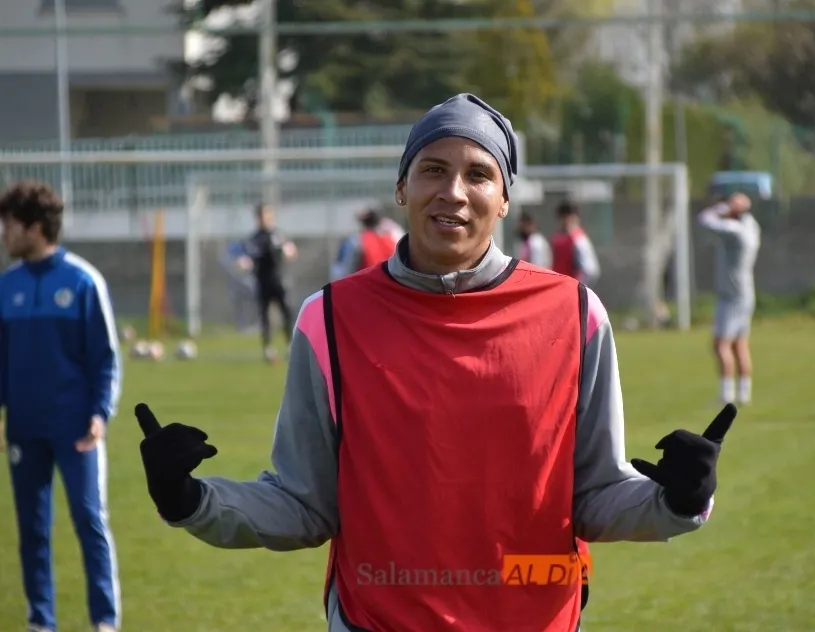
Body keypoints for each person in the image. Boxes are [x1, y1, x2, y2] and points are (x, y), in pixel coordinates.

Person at [133, 93, 737, 632]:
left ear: (505, 199)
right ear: (402, 187)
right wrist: (190, 498)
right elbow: (304, 502)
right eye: (433, 169)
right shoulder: (331, 319)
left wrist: (679, 500)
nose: (454, 191)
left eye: (479, 174)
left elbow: (595, 494)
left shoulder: (575, 314)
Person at [0, 180, 122, 632]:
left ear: (34, 227)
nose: (4, 234)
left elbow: (106, 358)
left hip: (76, 427)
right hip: (24, 425)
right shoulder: (6, 287)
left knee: (89, 520)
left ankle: (104, 621)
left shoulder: (83, 281)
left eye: (9, 225)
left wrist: (100, 414)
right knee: (31, 529)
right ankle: (40, 621)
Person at [697, 192, 761, 406]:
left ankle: (726, 396)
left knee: (720, 344)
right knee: (740, 345)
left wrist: (723, 208)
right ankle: (744, 394)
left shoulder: (735, 231)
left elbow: (704, 220)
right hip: (745, 292)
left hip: (731, 295)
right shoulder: (751, 227)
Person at [238, 203, 298, 363]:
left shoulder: (280, 234)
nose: (265, 218)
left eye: (267, 214)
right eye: (262, 215)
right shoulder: (254, 239)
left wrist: (290, 252)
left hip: (280, 280)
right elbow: (247, 258)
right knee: (265, 316)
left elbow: (291, 251)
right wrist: (244, 263)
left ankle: (291, 346)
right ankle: (268, 349)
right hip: (263, 281)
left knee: (287, 313)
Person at [331, 209, 400, 280]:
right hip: (387, 282)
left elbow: (345, 269)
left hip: (366, 282)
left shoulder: (357, 240)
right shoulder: (391, 240)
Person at [550, 201, 601, 286]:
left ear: (576, 218)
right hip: (558, 286)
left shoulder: (579, 240)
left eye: (569, 217)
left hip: (571, 288)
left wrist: (577, 287)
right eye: (563, 217)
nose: (566, 221)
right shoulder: (556, 238)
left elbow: (590, 271)